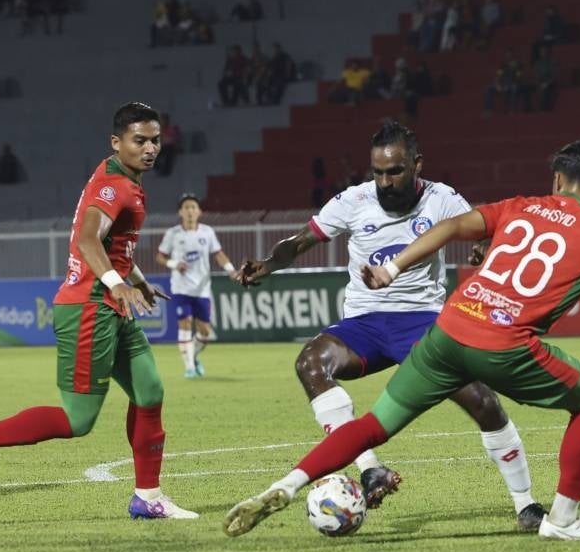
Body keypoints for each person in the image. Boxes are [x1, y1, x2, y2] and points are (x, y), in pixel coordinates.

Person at [222, 139, 580, 541]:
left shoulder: (520, 206)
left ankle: (285, 485)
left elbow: (452, 227)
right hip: (505, 342)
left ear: (557, 179)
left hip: (447, 329)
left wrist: (393, 266)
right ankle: (562, 518)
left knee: (375, 425)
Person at [230, 121, 548, 530]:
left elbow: (486, 231)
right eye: (378, 172)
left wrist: (484, 247)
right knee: (311, 362)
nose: (385, 182)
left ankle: (526, 505)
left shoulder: (442, 199)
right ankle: (369, 469)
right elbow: (301, 241)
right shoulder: (354, 200)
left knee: (482, 401)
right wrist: (269, 264)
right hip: (364, 323)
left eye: (395, 171)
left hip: (423, 323)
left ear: (417, 164)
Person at [0, 102, 198, 520]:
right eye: (139, 140)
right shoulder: (114, 187)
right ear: (117, 142)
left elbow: (114, 246)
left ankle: (147, 497)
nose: (150, 148)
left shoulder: (121, 177)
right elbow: (88, 240)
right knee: (78, 421)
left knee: (150, 392)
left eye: (155, 140)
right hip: (89, 309)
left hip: (110, 304)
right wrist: (117, 283)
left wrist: (135, 280)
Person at [156, 194, 241, 378]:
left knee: (205, 332)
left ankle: (193, 356)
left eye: (193, 207)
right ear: (180, 212)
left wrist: (231, 270)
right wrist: (174, 264)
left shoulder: (207, 232)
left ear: (199, 211)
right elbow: (160, 257)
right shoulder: (173, 234)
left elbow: (218, 254)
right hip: (180, 288)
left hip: (202, 289)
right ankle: (189, 368)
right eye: (186, 207)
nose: (190, 211)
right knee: (185, 324)